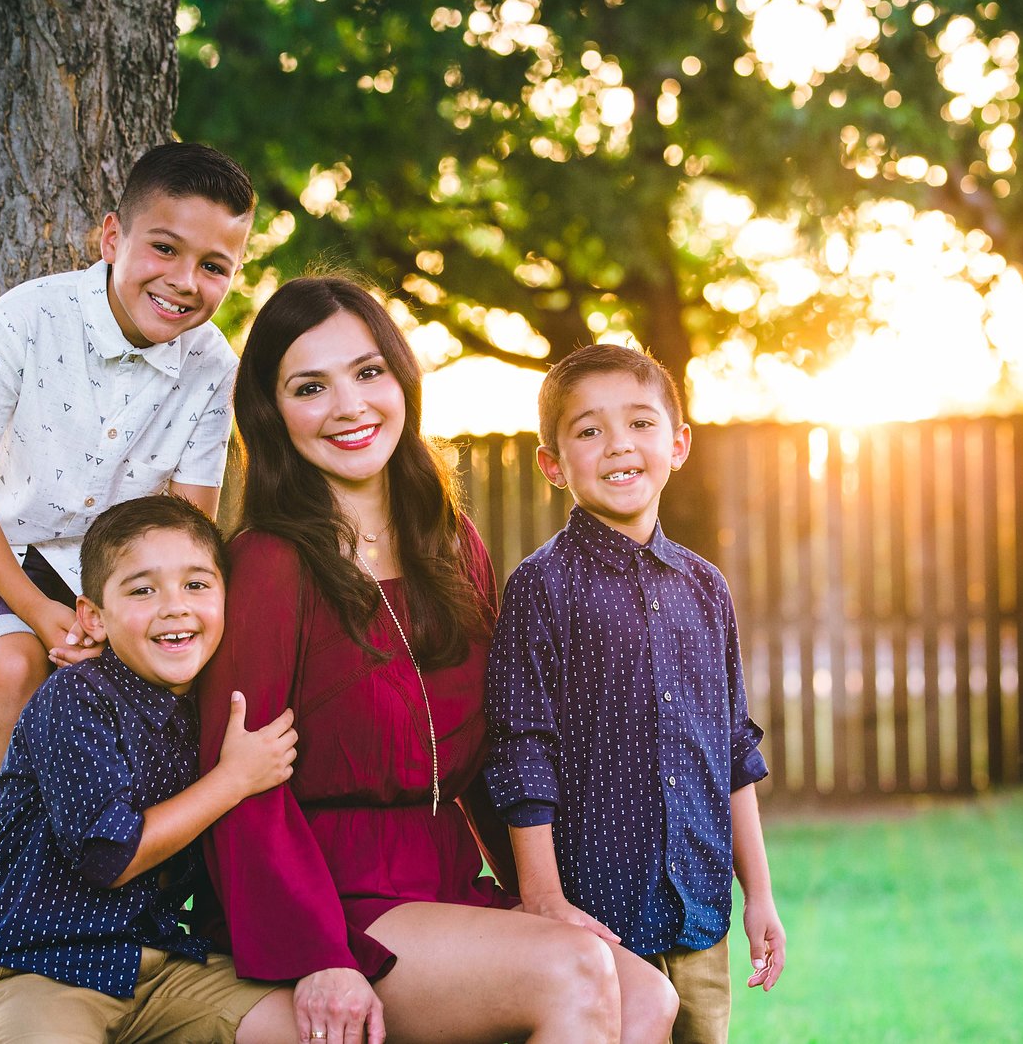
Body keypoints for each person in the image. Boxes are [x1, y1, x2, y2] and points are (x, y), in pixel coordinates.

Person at [193, 275, 680, 1043]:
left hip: (447, 878)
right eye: (310, 387)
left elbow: (492, 749)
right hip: (335, 898)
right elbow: (241, 786)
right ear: (271, 412)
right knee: (573, 971)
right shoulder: (267, 563)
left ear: (401, 380)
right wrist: (316, 954)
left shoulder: (450, 545)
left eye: (368, 372)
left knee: (648, 996)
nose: (349, 405)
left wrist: (537, 892)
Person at [0, 141, 254, 806]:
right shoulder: (24, 321)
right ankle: (14, 863)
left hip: (110, 574)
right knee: (15, 665)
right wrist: (38, 612)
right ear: (113, 238)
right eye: (165, 248)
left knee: (172, 673)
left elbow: (186, 527)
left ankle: (130, 852)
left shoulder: (214, 368)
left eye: (214, 266)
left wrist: (131, 612)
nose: (185, 280)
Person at [483, 343, 787, 1044]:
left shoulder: (706, 588)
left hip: (700, 917)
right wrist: (544, 898)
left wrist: (760, 895)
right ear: (553, 464)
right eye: (590, 430)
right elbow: (521, 756)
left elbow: (734, 750)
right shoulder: (541, 589)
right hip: (600, 925)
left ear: (678, 444)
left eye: (640, 423)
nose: (619, 444)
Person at [0, 493, 307, 1043]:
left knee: (309, 1027)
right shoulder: (77, 698)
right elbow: (109, 856)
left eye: (196, 585)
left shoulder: (214, 707)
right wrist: (233, 780)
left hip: (166, 969)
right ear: (93, 616)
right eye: (143, 590)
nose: (174, 607)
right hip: (40, 971)